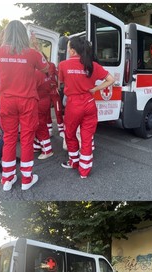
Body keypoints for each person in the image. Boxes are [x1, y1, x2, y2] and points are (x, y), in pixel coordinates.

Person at [0, 20, 49, 192]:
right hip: (28, 101)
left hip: (7, 101)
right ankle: (26, 179)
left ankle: (7, 178)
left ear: (6, 34)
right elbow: (45, 69)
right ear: (24, 35)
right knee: (27, 139)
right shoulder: (33, 54)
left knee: (8, 138)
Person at [58, 36, 115, 178]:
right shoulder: (92, 65)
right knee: (87, 137)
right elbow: (111, 80)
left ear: (72, 51)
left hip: (73, 104)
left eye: (69, 48)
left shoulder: (64, 65)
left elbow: (60, 83)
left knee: (70, 134)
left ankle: (74, 161)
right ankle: (84, 170)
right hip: (90, 104)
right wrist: (95, 89)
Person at [34, 64, 54, 160]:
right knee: (41, 124)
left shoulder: (36, 73)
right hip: (45, 100)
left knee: (40, 126)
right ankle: (38, 145)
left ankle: (47, 150)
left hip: (39, 102)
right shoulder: (44, 72)